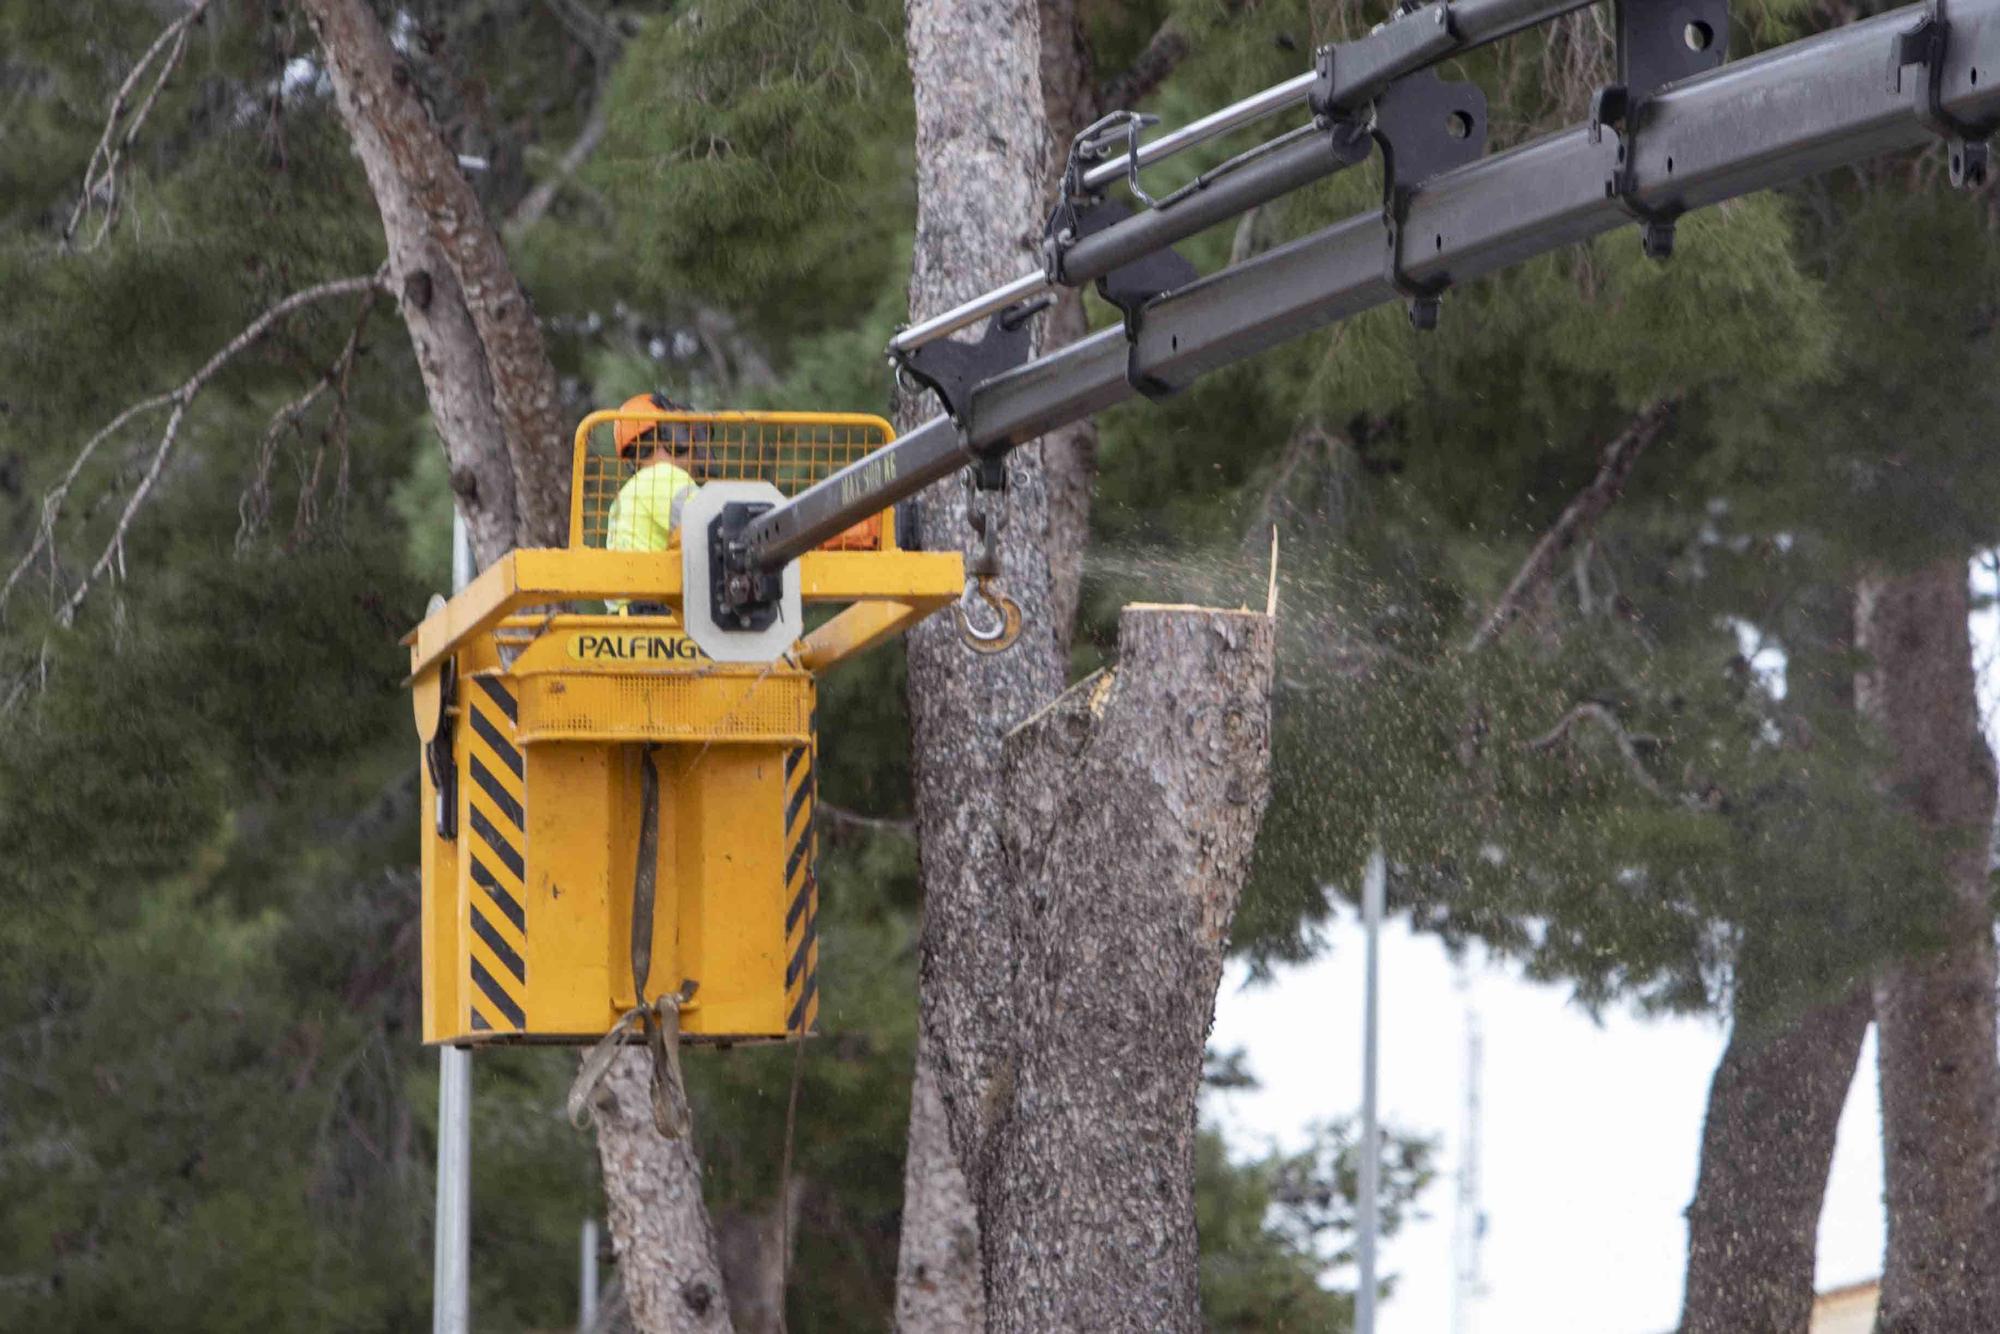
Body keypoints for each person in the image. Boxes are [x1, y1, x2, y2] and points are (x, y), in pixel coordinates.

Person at [606, 392, 705, 614]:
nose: (697, 453)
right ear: (672, 439)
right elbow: (709, 525)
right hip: (653, 616)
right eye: (688, 437)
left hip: (626, 619)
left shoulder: (630, 491)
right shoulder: (665, 478)